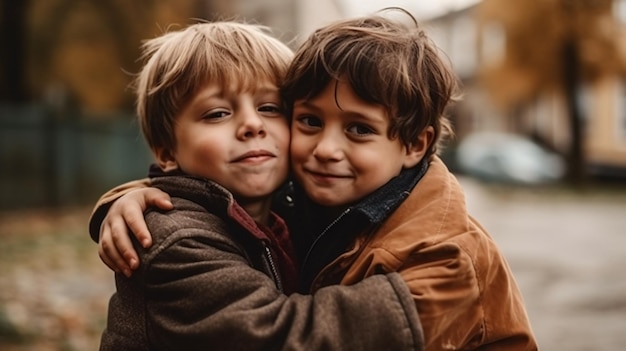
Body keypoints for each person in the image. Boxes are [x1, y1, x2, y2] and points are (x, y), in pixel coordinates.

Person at [92, 10, 538, 350]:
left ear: (414, 145)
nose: (252, 126)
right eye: (217, 113)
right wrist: (128, 197)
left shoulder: (446, 257)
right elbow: (280, 335)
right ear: (167, 152)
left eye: (269, 108)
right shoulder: (171, 237)